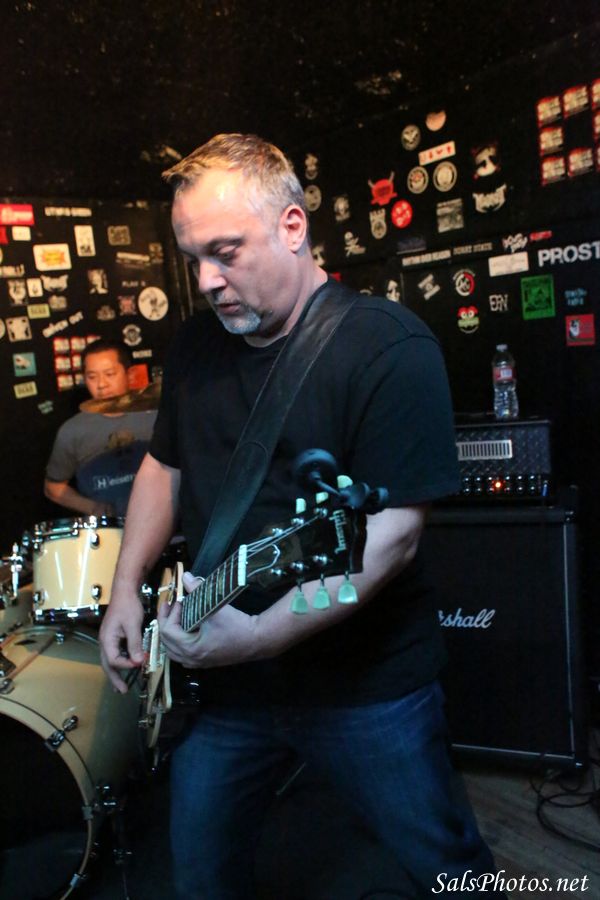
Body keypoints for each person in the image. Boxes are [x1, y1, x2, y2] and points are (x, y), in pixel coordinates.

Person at [99, 134, 502, 899]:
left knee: (451, 875)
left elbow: (391, 537)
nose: (207, 280)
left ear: (292, 227)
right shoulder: (196, 346)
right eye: (193, 258)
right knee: (202, 877)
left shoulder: (387, 346)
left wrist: (256, 635)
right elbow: (164, 466)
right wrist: (126, 588)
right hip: (226, 689)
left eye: (225, 252)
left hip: (367, 687)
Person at [44, 339, 157, 518]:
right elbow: (53, 488)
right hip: (108, 529)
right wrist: (94, 507)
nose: (101, 384)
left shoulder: (156, 417)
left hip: (163, 520)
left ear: (129, 374)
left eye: (110, 374)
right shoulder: (72, 430)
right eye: (92, 377)